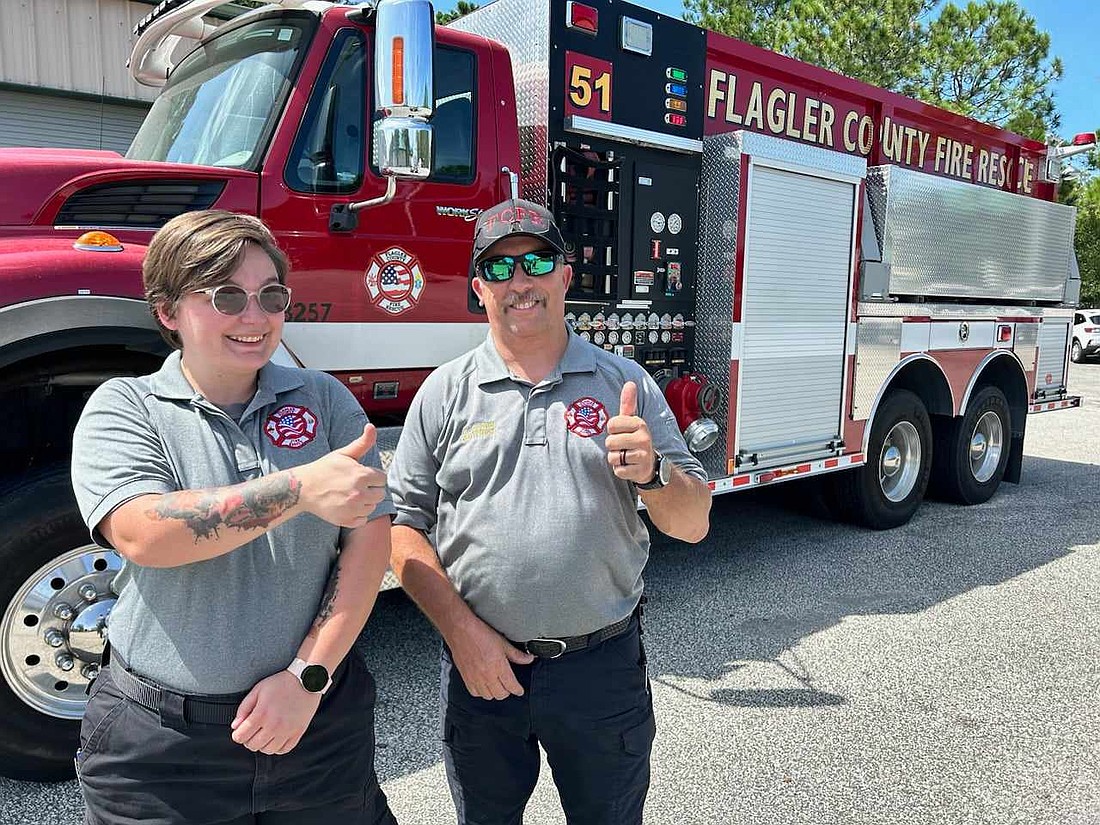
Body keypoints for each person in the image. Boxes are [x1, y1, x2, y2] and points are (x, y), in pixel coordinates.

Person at [388, 198, 712, 825]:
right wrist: (463, 636)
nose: (521, 281)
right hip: (483, 668)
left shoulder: (625, 384)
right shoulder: (445, 391)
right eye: (500, 268)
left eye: (537, 261)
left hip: (601, 670)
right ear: (478, 287)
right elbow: (403, 528)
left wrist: (653, 471)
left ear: (566, 275)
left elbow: (693, 523)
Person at [70, 210, 397, 825]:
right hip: (163, 750)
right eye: (226, 296)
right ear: (167, 312)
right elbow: (145, 532)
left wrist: (307, 677)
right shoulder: (125, 406)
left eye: (271, 295)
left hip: (316, 725)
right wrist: (298, 487)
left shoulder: (325, 400)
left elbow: (368, 548)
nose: (255, 317)